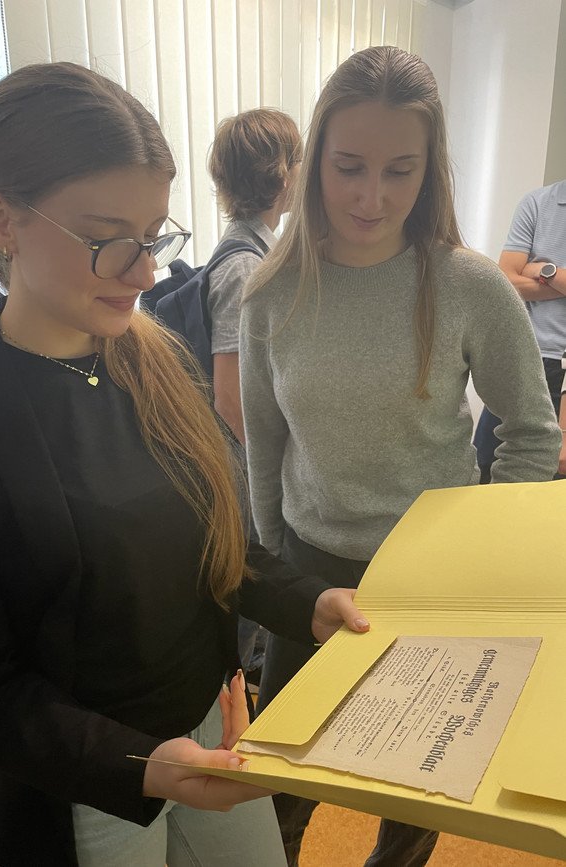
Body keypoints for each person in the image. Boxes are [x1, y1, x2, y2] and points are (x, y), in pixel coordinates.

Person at [0, 62, 371, 867]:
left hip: (214, 727)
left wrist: (311, 601)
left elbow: (217, 553)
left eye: (155, 234)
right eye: (108, 240)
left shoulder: (153, 359)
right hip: (82, 782)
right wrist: (142, 764)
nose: (145, 272)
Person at [239, 45, 561, 867]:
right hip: (310, 570)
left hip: (435, 581)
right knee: (281, 796)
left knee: (414, 792)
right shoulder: (272, 291)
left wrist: (482, 546)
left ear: (430, 170)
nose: (371, 197)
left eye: (400, 170)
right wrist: (275, 573)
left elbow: (532, 430)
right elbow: (264, 441)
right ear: (314, 162)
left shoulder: (469, 286)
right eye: (348, 167)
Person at [207, 108, 302, 672]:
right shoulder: (245, 267)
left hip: (245, 465)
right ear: (283, 174)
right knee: (246, 596)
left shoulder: (259, 252)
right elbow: (231, 397)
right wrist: (275, 473)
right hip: (240, 471)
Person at [474, 178, 566, 481]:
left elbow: (519, 275)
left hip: (561, 365)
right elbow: (508, 283)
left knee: (555, 489)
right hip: (526, 360)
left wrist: (544, 270)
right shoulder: (537, 204)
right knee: (487, 469)